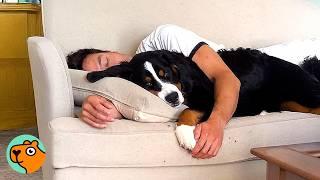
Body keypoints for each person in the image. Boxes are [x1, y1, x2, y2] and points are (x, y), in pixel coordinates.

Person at [67, 24, 241, 159]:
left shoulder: (161, 38)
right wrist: (104, 107)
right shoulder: (137, 94)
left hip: (251, 67)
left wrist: (217, 122)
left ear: (111, 51)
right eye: (106, 75)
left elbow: (228, 78)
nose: (114, 70)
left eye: (104, 61)